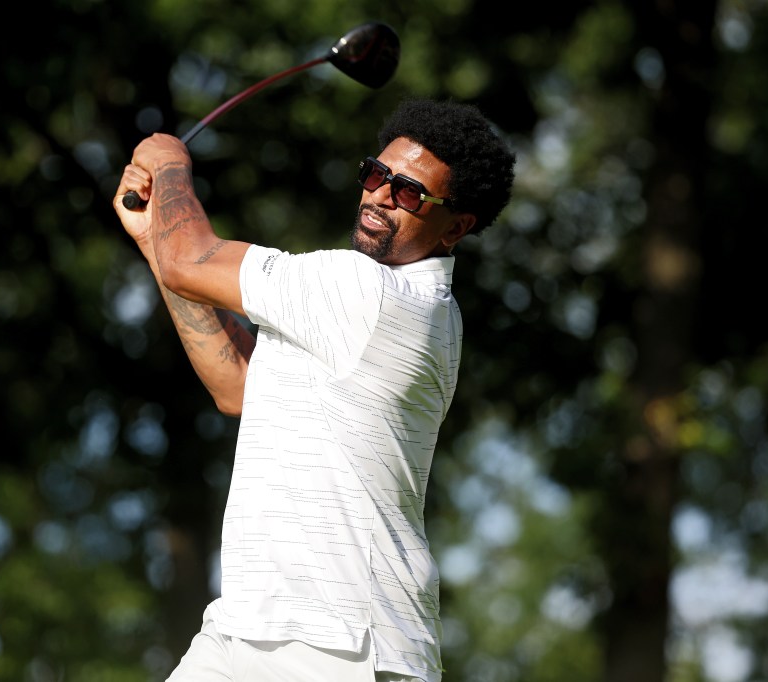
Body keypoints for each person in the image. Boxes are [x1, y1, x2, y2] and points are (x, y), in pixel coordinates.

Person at [112, 97, 516, 682]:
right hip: (244, 627)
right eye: (376, 175)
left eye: (409, 192)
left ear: (456, 227)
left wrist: (168, 160)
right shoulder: (378, 306)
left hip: (345, 645)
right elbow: (239, 386)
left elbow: (192, 258)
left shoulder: (367, 292)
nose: (380, 195)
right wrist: (156, 238)